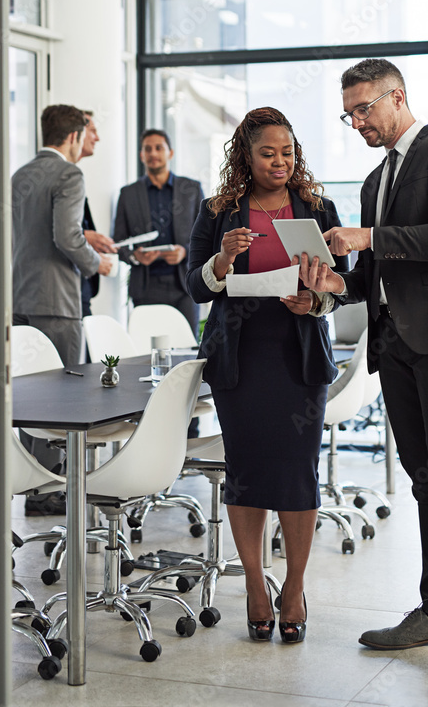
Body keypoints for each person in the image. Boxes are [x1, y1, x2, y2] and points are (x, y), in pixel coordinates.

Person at [187, 107, 348, 643]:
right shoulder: (220, 211)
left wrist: (314, 300)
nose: (280, 162)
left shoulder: (318, 207)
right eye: (267, 153)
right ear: (246, 156)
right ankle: (256, 585)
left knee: (298, 475)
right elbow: (196, 286)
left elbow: (339, 282)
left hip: (297, 358)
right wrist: (221, 261)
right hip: (241, 360)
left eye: (287, 152)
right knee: (249, 473)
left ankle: (295, 588)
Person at [298, 58, 428, 651]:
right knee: (423, 479)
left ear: (396, 96)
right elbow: (371, 276)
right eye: (348, 114)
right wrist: (330, 291)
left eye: (364, 109)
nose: (356, 123)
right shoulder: (374, 182)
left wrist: (368, 238)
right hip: (393, 346)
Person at [12, 104, 114, 509]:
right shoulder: (70, 174)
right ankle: (53, 491)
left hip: (18, 296)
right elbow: (67, 238)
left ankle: (32, 484)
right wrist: (98, 263)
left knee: (28, 396)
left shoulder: (20, 175)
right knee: (60, 398)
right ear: (73, 137)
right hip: (56, 300)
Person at [113, 129, 204, 336]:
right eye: (148, 149)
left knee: (186, 350)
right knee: (146, 352)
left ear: (170, 153)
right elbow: (118, 242)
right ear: (141, 155)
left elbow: (207, 237)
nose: (153, 153)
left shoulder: (191, 189)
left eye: (158, 148)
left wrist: (185, 252)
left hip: (184, 286)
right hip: (146, 288)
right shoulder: (128, 194)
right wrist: (135, 256)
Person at [78, 111, 117, 322]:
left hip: (79, 291)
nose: (97, 137)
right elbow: (63, 235)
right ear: (76, 133)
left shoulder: (72, 175)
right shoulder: (68, 176)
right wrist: (88, 242)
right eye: (92, 130)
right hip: (68, 296)